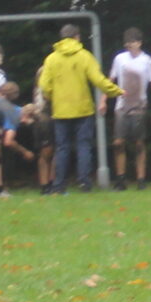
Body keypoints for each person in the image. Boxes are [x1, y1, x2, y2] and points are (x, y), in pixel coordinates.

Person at [37, 24, 116, 193]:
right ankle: (84, 182)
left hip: (60, 110)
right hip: (83, 108)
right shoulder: (85, 56)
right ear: (77, 37)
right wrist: (116, 91)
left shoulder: (51, 59)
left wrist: (51, 97)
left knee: (62, 148)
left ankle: (59, 184)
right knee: (83, 146)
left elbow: (44, 84)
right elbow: (98, 79)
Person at [107, 27, 151, 190]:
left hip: (139, 106)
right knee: (118, 142)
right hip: (121, 106)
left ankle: (141, 179)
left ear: (139, 43)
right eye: (127, 43)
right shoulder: (119, 59)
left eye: (132, 42)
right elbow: (111, 80)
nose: (129, 46)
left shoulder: (147, 61)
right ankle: (120, 179)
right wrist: (104, 100)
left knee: (139, 143)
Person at [18, 94, 53, 190]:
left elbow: (43, 140)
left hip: (48, 138)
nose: (22, 120)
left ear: (28, 115)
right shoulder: (37, 122)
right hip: (46, 137)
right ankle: (47, 184)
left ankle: (46, 185)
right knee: (45, 159)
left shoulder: (41, 122)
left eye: (23, 116)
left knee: (44, 159)